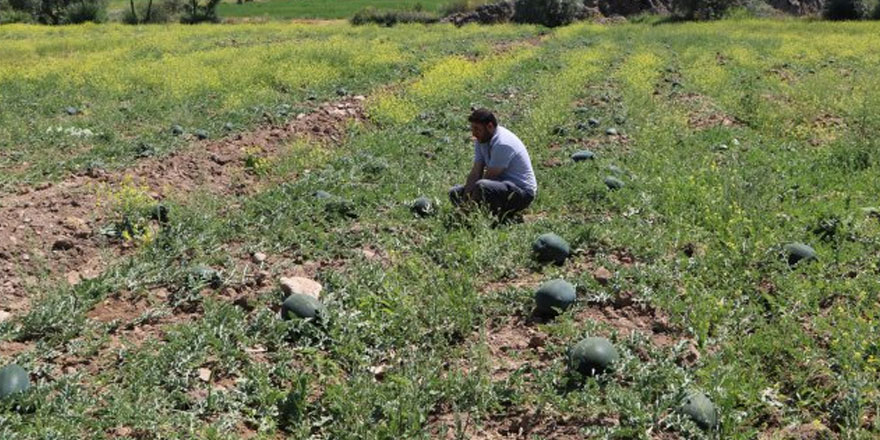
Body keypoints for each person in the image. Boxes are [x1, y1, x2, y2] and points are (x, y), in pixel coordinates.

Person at [449, 109, 537, 219]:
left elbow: (490, 177)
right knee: (455, 193)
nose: (473, 133)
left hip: (521, 193)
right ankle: (483, 213)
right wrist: (465, 199)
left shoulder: (503, 143)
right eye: (472, 128)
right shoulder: (481, 139)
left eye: (477, 129)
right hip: (499, 186)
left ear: (490, 126)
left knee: (482, 186)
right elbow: (476, 172)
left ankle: (491, 216)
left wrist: (466, 209)